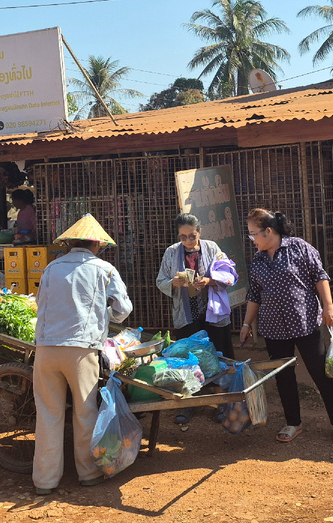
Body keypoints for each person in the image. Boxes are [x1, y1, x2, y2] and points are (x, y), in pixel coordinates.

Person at [32, 213, 132, 495]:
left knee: (48, 414)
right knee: (85, 412)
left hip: (46, 349)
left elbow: (41, 303)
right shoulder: (104, 269)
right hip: (81, 350)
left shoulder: (51, 268)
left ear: (69, 243)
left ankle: (44, 481)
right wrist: (107, 315)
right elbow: (123, 310)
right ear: (97, 245)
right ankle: (87, 473)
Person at [241, 209, 333, 444]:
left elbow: (320, 277)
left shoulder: (299, 247)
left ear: (268, 231)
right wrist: (246, 323)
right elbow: (254, 295)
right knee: (283, 377)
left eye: (253, 234)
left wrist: (328, 307)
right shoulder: (258, 260)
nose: (252, 240)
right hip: (273, 328)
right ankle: (293, 423)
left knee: (321, 372)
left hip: (306, 323)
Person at [156, 212, 238, 423]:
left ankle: (221, 402)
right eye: (183, 237)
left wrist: (209, 281)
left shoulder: (212, 248)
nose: (188, 241)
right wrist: (174, 283)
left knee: (218, 356)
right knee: (186, 359)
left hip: (212, 313)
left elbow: (228, 275)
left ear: (199, 232)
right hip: (186, 314)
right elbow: (160, 280)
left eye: (192, 236)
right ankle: (187, 404)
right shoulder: (171, 253)